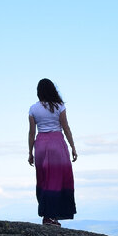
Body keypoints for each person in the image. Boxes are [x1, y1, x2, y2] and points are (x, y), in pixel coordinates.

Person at [27, 77, 77, 226]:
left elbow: (31, 133)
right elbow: (66, 127)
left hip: (41, 144)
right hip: (57, 144)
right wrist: (73, 146)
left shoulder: (33, 108)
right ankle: (52, 216)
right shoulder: (59, 106)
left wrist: (30, 152)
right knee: (57, 179)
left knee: (44, 180)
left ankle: (47, 215)